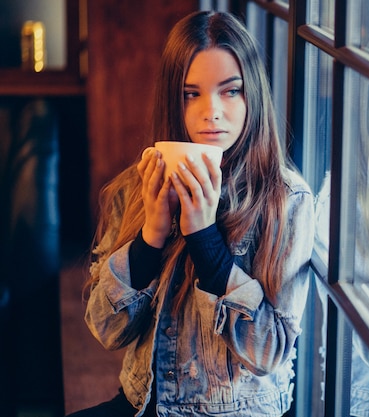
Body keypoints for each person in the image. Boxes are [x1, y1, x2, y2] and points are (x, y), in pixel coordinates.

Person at [67, 10, 314, 417]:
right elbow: (105, 331)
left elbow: (268, 351)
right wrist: (151, 235)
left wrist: (204, 239)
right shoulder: (137, 185)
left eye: (229, 91)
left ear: (252, 93)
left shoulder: (286, 199)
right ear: (172, 99)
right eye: (190, 93)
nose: (211, 110)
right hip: (141, 404)